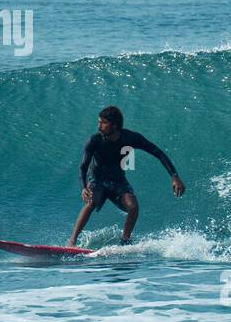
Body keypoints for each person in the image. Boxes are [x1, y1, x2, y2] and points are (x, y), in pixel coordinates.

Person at [68, 105, 185, 246]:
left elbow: (158, 152)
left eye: (103, 123)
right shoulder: (94, 140)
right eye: (98, 122)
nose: (99, 127)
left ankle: (124, 241)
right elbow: (83, 166)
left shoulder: (131, 138)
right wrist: (83, 187)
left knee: (133, 206)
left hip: (117, 181)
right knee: (91, 201)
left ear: (115, 125)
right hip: (97, 179)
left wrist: (174, 176)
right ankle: (72, 241)